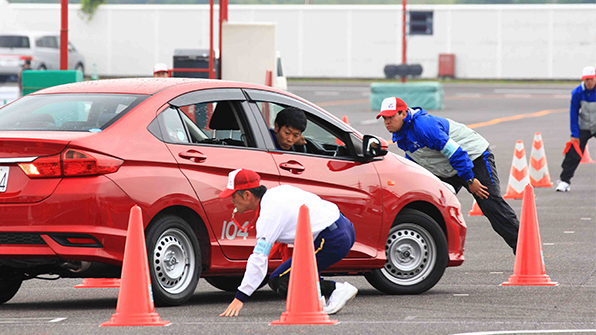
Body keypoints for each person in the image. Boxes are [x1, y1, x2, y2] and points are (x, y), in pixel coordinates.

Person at [377, 96, 519, 253]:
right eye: (384, 118)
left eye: (390, 117)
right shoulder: (401, 133)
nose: (387, 122)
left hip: (473, 157)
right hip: (447, 166)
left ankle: (524, 248)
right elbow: (415, 160)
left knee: (491, 205)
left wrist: (470, 179)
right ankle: (434, 253)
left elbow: (457, 153)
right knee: (431, 207)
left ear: (403, 114)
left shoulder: (424, 126)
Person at [219, 168, 357, 317]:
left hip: (332, 239)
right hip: (343, 226)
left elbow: (259, 259)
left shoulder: (269, 215)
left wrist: (240, 297)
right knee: (296, 270)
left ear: (247, 195)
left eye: (233, 196)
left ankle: (337, 289)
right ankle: (318, 300)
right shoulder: (277, 192)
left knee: (280, 279)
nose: (231, 200)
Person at [556, 66, 596, 192]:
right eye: (586, 79)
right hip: (583, 126)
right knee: (573, 154)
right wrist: (574, 133)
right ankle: (564, 181)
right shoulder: (577, 93)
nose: (589, 82)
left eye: (591, 79)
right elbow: (573, 113)